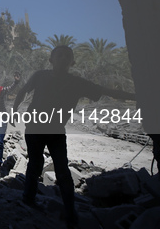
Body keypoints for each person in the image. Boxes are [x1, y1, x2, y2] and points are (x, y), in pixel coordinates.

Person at [13, 45, 135, 227]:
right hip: (34, 127)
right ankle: (29, 199)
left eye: (66, 56)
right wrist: (14, 110)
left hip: (55, 131)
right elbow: (23, 91)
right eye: (59, 55)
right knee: (35, 163)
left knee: (62, 170)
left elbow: (108, 92)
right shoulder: (40, 75)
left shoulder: (77, 83)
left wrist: (137, 96)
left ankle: (70, 211)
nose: (63, 58)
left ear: (72, 62)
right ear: (51, 59)